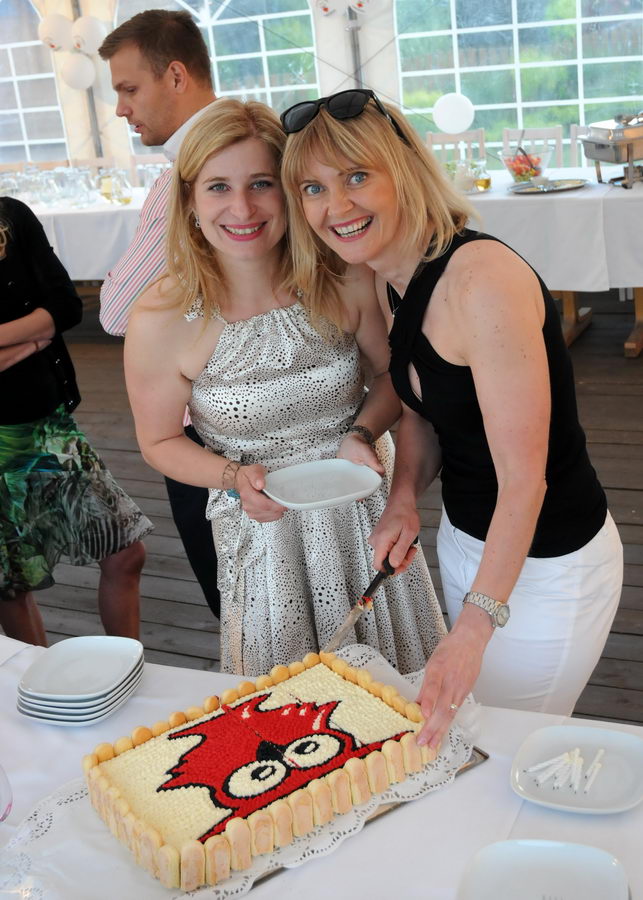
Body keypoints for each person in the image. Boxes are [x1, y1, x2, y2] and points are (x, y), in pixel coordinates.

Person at [280, 89, 623, 747]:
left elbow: (523, 481)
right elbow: (422, 410)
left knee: (504, 745)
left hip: (549, 564)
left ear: (403, 168)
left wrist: (472, 627)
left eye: (357, 176)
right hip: (468, 543)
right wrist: (403, 496)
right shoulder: (390, 275)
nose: (336, 206)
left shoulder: (480, 280)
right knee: (468, 738)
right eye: (313, 188)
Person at [124, 99, 446, 676]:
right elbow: (158, 441)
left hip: (362, 510)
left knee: (401, 692)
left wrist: (361, 432)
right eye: (219, 187)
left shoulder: (344, 273)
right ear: (190, 199)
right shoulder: (161, 315)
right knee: (286, 701)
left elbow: (389, 376)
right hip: (263, 530)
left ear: (289, 190)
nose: (242, 208)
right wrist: (232, 478)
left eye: (261, 183)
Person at [98, 10, 220, 619]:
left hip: (212, 430)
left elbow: (116, 311)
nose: (122, 109)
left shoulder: (185, 178)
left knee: (243, 610)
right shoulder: (279, 146)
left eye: (129, 88)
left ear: (175, 75)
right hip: (327, 419)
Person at [0, 197, 153, 646]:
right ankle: (41, 679)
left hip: (47, 426)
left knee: (125, 552)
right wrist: (34, 333)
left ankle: (126, 667)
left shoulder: (10, 216)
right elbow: (48, 317)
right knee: (12, 584)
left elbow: (66, 306)